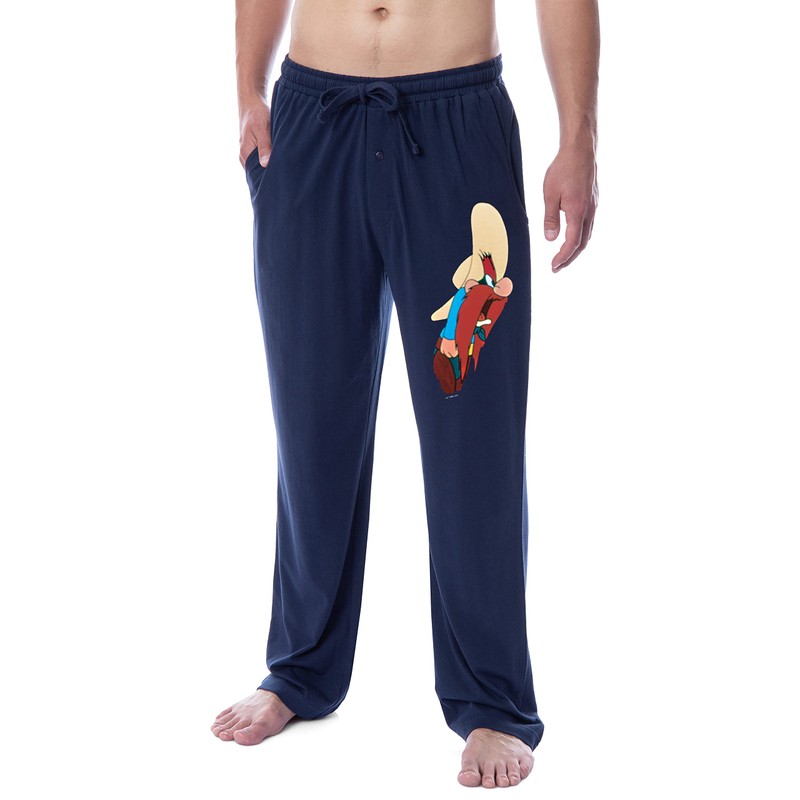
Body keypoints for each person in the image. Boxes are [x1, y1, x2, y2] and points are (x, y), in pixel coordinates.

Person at [211, 0, 599, 789]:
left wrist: (579, 137)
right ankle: (300, 669)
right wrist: (248, 88)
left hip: (457, 134)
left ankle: (492, 700)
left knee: (473, 434)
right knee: (311, 420)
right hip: (310, 127)